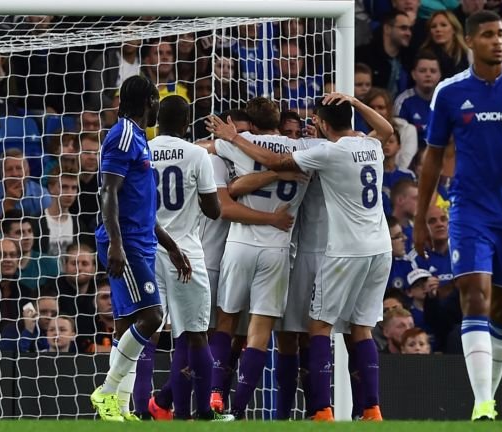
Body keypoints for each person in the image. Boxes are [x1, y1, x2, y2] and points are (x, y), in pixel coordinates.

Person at [206, 91, 393, 421]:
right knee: (357, 328)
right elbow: (386, 130)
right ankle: (371, 408)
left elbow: (237, 178)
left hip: (320, 249)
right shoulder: (364, 145)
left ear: (319, 123)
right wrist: (352, 100)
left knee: (309, 329)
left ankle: (317, 410)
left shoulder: (323, 152)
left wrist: (232, 137)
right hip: (375, 247)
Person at [413, 10, 502, 421]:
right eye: (490, 35)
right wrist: (423, 217)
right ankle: (482, 404)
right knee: (474, 296)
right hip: (468, 211)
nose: (500, 41)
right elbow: (432, 159)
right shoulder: (450, 92)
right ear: (472, 40)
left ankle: (486, 397)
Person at [90, 75, 191, 422]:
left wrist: (170, 244)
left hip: (141, 239)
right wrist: (117, 243)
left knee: (126, 327)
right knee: (152, 317)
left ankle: (118, 404)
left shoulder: (138, 139)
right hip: (127, 242)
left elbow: (139, 204)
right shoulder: (124, 136)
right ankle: (106, 391)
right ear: (150, 101)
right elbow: (108, 192)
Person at [147, 96, 229, 421]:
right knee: (194, 333)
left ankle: (147, 408)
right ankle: (202, 413)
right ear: (185, 125)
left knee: (148, 331)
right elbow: (213, 209)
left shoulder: (145, 151)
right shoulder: (197, 154)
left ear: (157, 121)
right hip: (185, 253)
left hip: (149, 249)